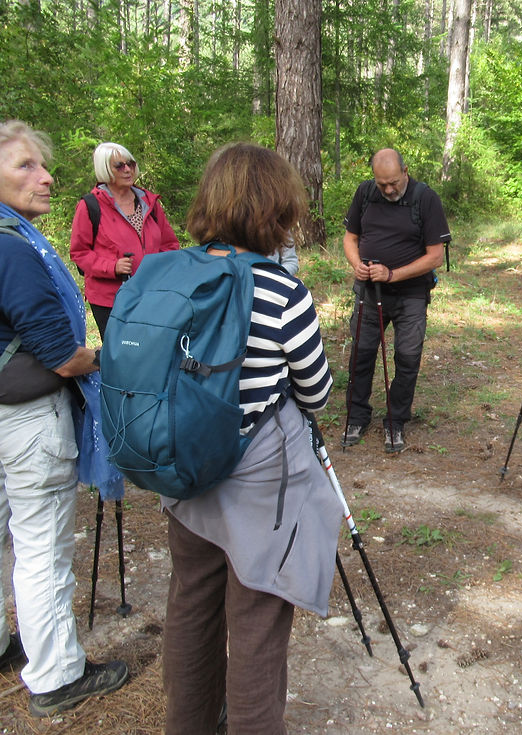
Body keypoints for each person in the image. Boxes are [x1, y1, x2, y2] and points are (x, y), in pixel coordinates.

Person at [159, 143, 338, 735]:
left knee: (190, 607)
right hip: (259, 486)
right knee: (257, 621)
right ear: (274, 211)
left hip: (183, 474)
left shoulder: (169, 276)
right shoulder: (282, 292)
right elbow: (316, 393)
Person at [0, 120, 128, 716]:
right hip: (26, 422)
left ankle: (6, 644)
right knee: (41, 548)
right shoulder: (11, 246)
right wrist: (110, 359)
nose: (45, 176)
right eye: (25, 165)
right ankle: (55, 674)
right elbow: (63, 355)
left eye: (41, 164)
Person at [341, 148, 450, 453]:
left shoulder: (425, 199)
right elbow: (350, 238)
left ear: (405, 171)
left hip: (411, 294)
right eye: (382, 184)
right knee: (361, 354)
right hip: (368, 290)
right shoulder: (365, 193)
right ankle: (357, 416)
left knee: (407, 358)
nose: (388, 189)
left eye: (393, 183)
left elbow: (435, 256)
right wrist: (356, 264)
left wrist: (392, 274)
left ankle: (396, 420)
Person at [69, 141, 180, 337]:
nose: (127, 169)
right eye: (119, 166)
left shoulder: (149, 202)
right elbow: (80, 253)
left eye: (131, 164)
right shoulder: (90, 206)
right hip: (110, 299)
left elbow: (169, 245)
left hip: (151, 294)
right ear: (105, 169)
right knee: (120, 356)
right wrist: (112, 267)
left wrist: (160, 270)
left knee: (152, 349)